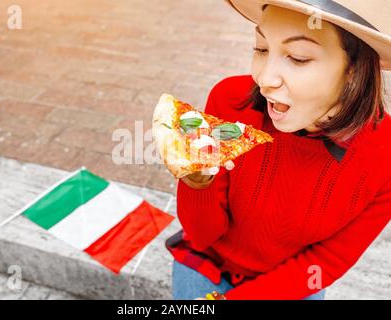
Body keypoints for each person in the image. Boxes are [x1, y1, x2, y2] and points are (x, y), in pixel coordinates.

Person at [166, 0, 391, 300]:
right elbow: (202, 234)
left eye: (297, 58)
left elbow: (327, 262)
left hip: (294, 283)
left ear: (354, 69)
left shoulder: (384, 153)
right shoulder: (229, 101)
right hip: (208, 264)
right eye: (261, 48)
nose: (265, 81)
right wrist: (196, 179)